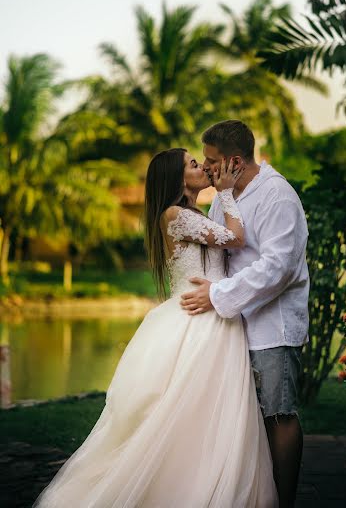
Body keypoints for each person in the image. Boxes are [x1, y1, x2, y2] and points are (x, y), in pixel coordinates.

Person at [33, 147, 278, 508]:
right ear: (177, 178)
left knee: (208, 415)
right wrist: (226, 191)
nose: (202, 168)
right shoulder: (176, 214)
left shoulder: (192, 212)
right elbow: (236, 238)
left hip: (213, 318)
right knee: (183, 412)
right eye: (194, 165)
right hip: (198, 322)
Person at [180, 120, 310, 508]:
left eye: (211, 160)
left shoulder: (278, 196)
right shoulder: (223, 196)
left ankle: (283, 501)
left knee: (279, 414)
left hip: (273, 326)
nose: (206, 167)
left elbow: (278, 267)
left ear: (234, 160)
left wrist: (218, 294)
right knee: (244, 421)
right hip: (232, 326)